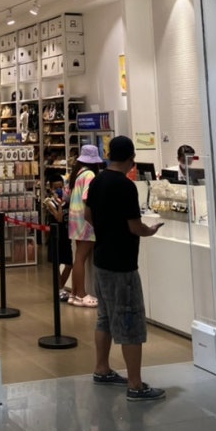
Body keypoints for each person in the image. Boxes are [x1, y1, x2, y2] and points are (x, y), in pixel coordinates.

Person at [85, 134, 166, 401]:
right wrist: (150, 230)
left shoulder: (96, 181)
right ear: (131, 159)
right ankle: (135, 385)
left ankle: (101, 368)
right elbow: (134, 226)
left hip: (101, 259)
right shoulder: (126, 187)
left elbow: (87, 214)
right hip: (122, 264)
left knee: (105, 317)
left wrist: (106, 228)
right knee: (130, 321)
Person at [68, 143, 105, 307]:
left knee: (78, 257)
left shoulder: (77, 173)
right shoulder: (89, 174)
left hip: (75, 219)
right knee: (81, 258)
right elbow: (87, 198)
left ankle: (74, 294)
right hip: (85, 220)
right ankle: (81, 294)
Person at [44, 174, 73, 300]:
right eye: (56, 188)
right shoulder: (49, 202)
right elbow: (59, 218)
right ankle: (60, 289)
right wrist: (60, 205)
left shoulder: (68, 200)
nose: (59, 190)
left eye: (61, 187)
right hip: (55, 237)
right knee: (56, 264)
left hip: (66, 236)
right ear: (51, 189)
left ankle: (60, 287)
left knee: (69, 263)